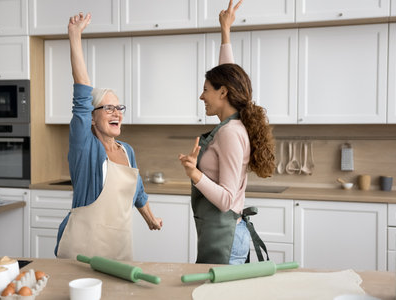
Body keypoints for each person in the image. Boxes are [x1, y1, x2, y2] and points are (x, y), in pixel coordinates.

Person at [55, 12, 162, 260]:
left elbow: (138, 195)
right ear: (91, 117)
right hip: (81, 251)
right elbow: (81, 91)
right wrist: (74, 35)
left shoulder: (127, 151)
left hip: (119, 249)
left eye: (119, 108)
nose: (117, 113)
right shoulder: (84, 146)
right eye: (108, 108)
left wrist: (151, 219)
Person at [179, 0, 275, 265]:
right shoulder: (231, 122)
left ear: (222, 93)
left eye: (206, 89)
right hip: (219, 234)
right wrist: (225, 31)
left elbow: (227, 200)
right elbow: (228, 75)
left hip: (226, 236)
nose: (201, 96)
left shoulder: (230, 133)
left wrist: (194, 173)